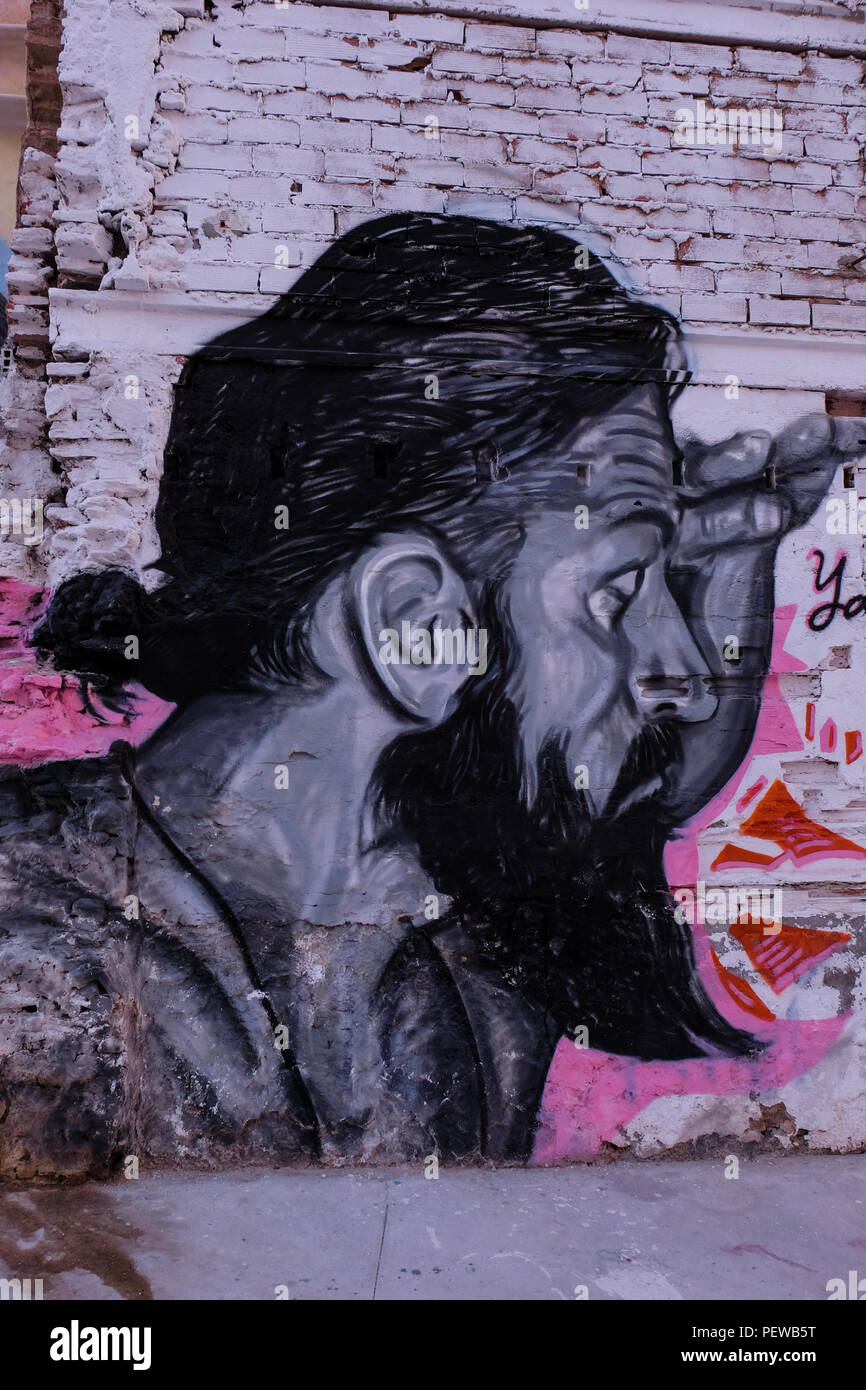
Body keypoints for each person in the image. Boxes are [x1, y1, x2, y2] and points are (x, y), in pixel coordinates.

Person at [0, 212, 856, 1177]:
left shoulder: (460, 896)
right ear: (412, 621)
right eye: (621, 592)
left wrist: (735, 553)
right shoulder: (40, 964)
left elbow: (647, 783)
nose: (688, 679)